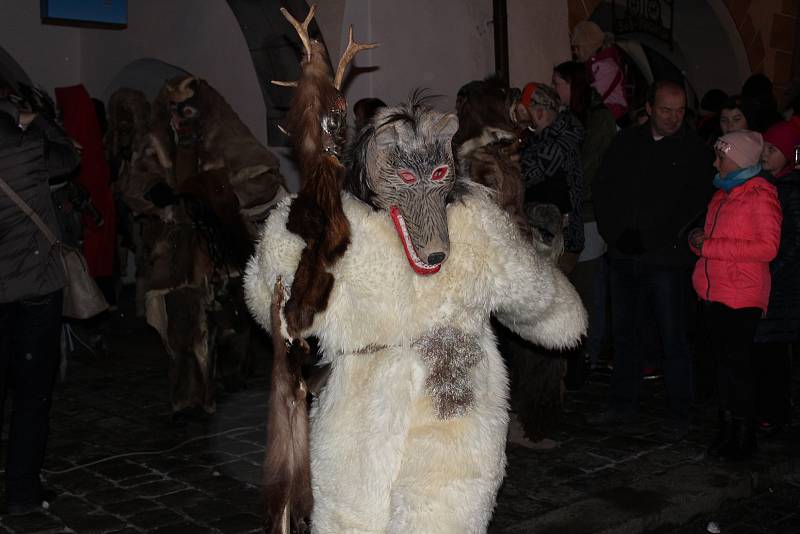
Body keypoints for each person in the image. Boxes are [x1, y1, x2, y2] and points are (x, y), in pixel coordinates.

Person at [591, 81, 715, 437]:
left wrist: (652, 238)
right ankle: (622, 403)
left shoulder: (694, 150)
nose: (673, 118)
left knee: (673, 334)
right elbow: (604, 187)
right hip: (624, 255)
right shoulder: (628, 142)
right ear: (649, 109)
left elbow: (691, 205)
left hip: (667, 260)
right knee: (625, 334)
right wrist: (615, 233)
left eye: (679, 111)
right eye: (666, 110)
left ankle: (680, 409)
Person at [0, 95, 80, 513]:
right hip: (33, 289)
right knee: (32, 397)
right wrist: (35, 119)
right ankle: (22, 493)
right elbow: (68, 158)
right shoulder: (26, 146)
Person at [689, 130, 781, 461]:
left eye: (721, 156)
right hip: (715, 291)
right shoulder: (724, 193)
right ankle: (727, 430)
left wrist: (709, 246)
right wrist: (698, 240)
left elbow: (767, 247)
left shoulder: (759, 194)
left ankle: (743, 436)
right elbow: (710, 239)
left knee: (738, 369)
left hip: (741, 297)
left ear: (738, 160)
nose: (715, 162)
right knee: (723, 368)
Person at [552, 61, 617, 381]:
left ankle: (592, 351)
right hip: (565, 213)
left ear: (573, 85)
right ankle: (574, 351)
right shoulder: (565, 118)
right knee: (570, 285)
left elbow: (587, 167)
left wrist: (568, 196)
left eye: (559, 84)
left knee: (589, 285)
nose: (555, 90)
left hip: (587, 213)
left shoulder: (598, 119)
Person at [752, 122, 800, 436]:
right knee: (767, 348)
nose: (765, 154)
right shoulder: (770, 184)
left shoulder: (791, 190)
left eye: (772, 150)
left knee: (774, 350)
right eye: (765, 147)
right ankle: (770, 408)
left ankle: (775, 410)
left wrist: (772, 270)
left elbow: (794, 240)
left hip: (782, 285)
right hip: (772, 280)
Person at [518, 82, 585, 272]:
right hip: (543, 238)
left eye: (525, 111)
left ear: (539, 113)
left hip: (562, 243)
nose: (520, 117)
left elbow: (526, 174)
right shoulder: (541, 136)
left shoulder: (562, 139)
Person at [570, 20, 628, 121]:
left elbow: (596, 94)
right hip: (604, 115)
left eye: (577, 47)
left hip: (614, 115)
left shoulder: (608, 66)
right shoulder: (593, 65)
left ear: (587, 47)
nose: (575, 52)